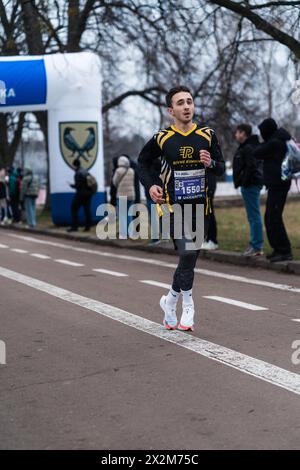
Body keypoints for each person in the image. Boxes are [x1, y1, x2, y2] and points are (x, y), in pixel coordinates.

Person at [138, 85, 225, 331]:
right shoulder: (162, 138)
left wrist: (212, 162)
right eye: (180, 103)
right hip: (173, 207)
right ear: (171, 110)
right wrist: (151, 185)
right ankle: (188, 305)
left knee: (189, 259)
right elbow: (142, 162)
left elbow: (221, 167)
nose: (187, 106)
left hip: (201, 206)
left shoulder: (207, 135)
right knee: (187, 254)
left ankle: (169, 301)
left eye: (189, 101)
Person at [253, 118, 293, 263]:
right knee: (270, 217)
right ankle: (278, 249)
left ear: (267, 130)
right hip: (277, 185)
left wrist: (257, 143)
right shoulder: (278, 139)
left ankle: (285, 251)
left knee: (274, 217)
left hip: (279, 185)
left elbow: (257, 152)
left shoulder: (275, 142)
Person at [233, 123, 264, 256]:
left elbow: (251, 167)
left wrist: (244, 182)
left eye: (238, 132)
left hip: (250, 185)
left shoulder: (248, 148)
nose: (236, 135)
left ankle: (256, 246)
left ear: (243, 133)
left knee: (253, 216)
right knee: (253, 216)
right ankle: (256, 245)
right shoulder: (248, 146)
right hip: (250, 184)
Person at [112, 155, 136, 238]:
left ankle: (123, 234)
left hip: (122, 195)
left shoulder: (118, 171)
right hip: (131, 195)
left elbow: (114, 182)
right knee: (129, 215)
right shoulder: (131, 170)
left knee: (122, 215)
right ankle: (131, 233)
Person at [67, 158, 93, 232]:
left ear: (74, 165)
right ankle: (88, 226)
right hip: (89, 194)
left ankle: (75, 227)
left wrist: (72, 186)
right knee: (87, 210)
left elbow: (78, 185)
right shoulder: (86, 171)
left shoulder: (77, 173)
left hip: (81, 194)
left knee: (74, 208)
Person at [201, 171, 218, 250]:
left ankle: (212, 240)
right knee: (204, 213)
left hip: (209, 183)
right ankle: (207, 238)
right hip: (203, 182)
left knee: (209, 213)